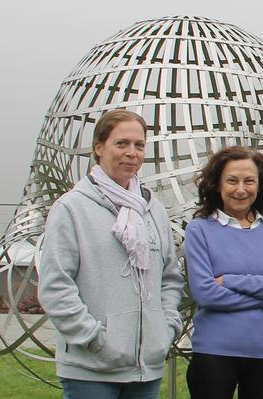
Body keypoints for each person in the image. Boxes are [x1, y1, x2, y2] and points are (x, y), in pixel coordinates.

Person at [38, 109, 184, 399]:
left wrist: (164, 330)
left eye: (139, 145)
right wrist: (96, 339)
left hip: (146, 367)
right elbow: (55, 287)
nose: (132, 153)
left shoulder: (152, 209)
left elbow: (170, 277)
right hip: (91, 368)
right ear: (98, 147)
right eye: (122, 143)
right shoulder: (72, 208)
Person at [184, 146, 263, 399]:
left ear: (260, 185)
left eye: (249, 181)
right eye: (232, 181)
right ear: (217, 184)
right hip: (214, 352)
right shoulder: (199, 230)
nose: (241, 189)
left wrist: (230, 280)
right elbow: (206, 294)